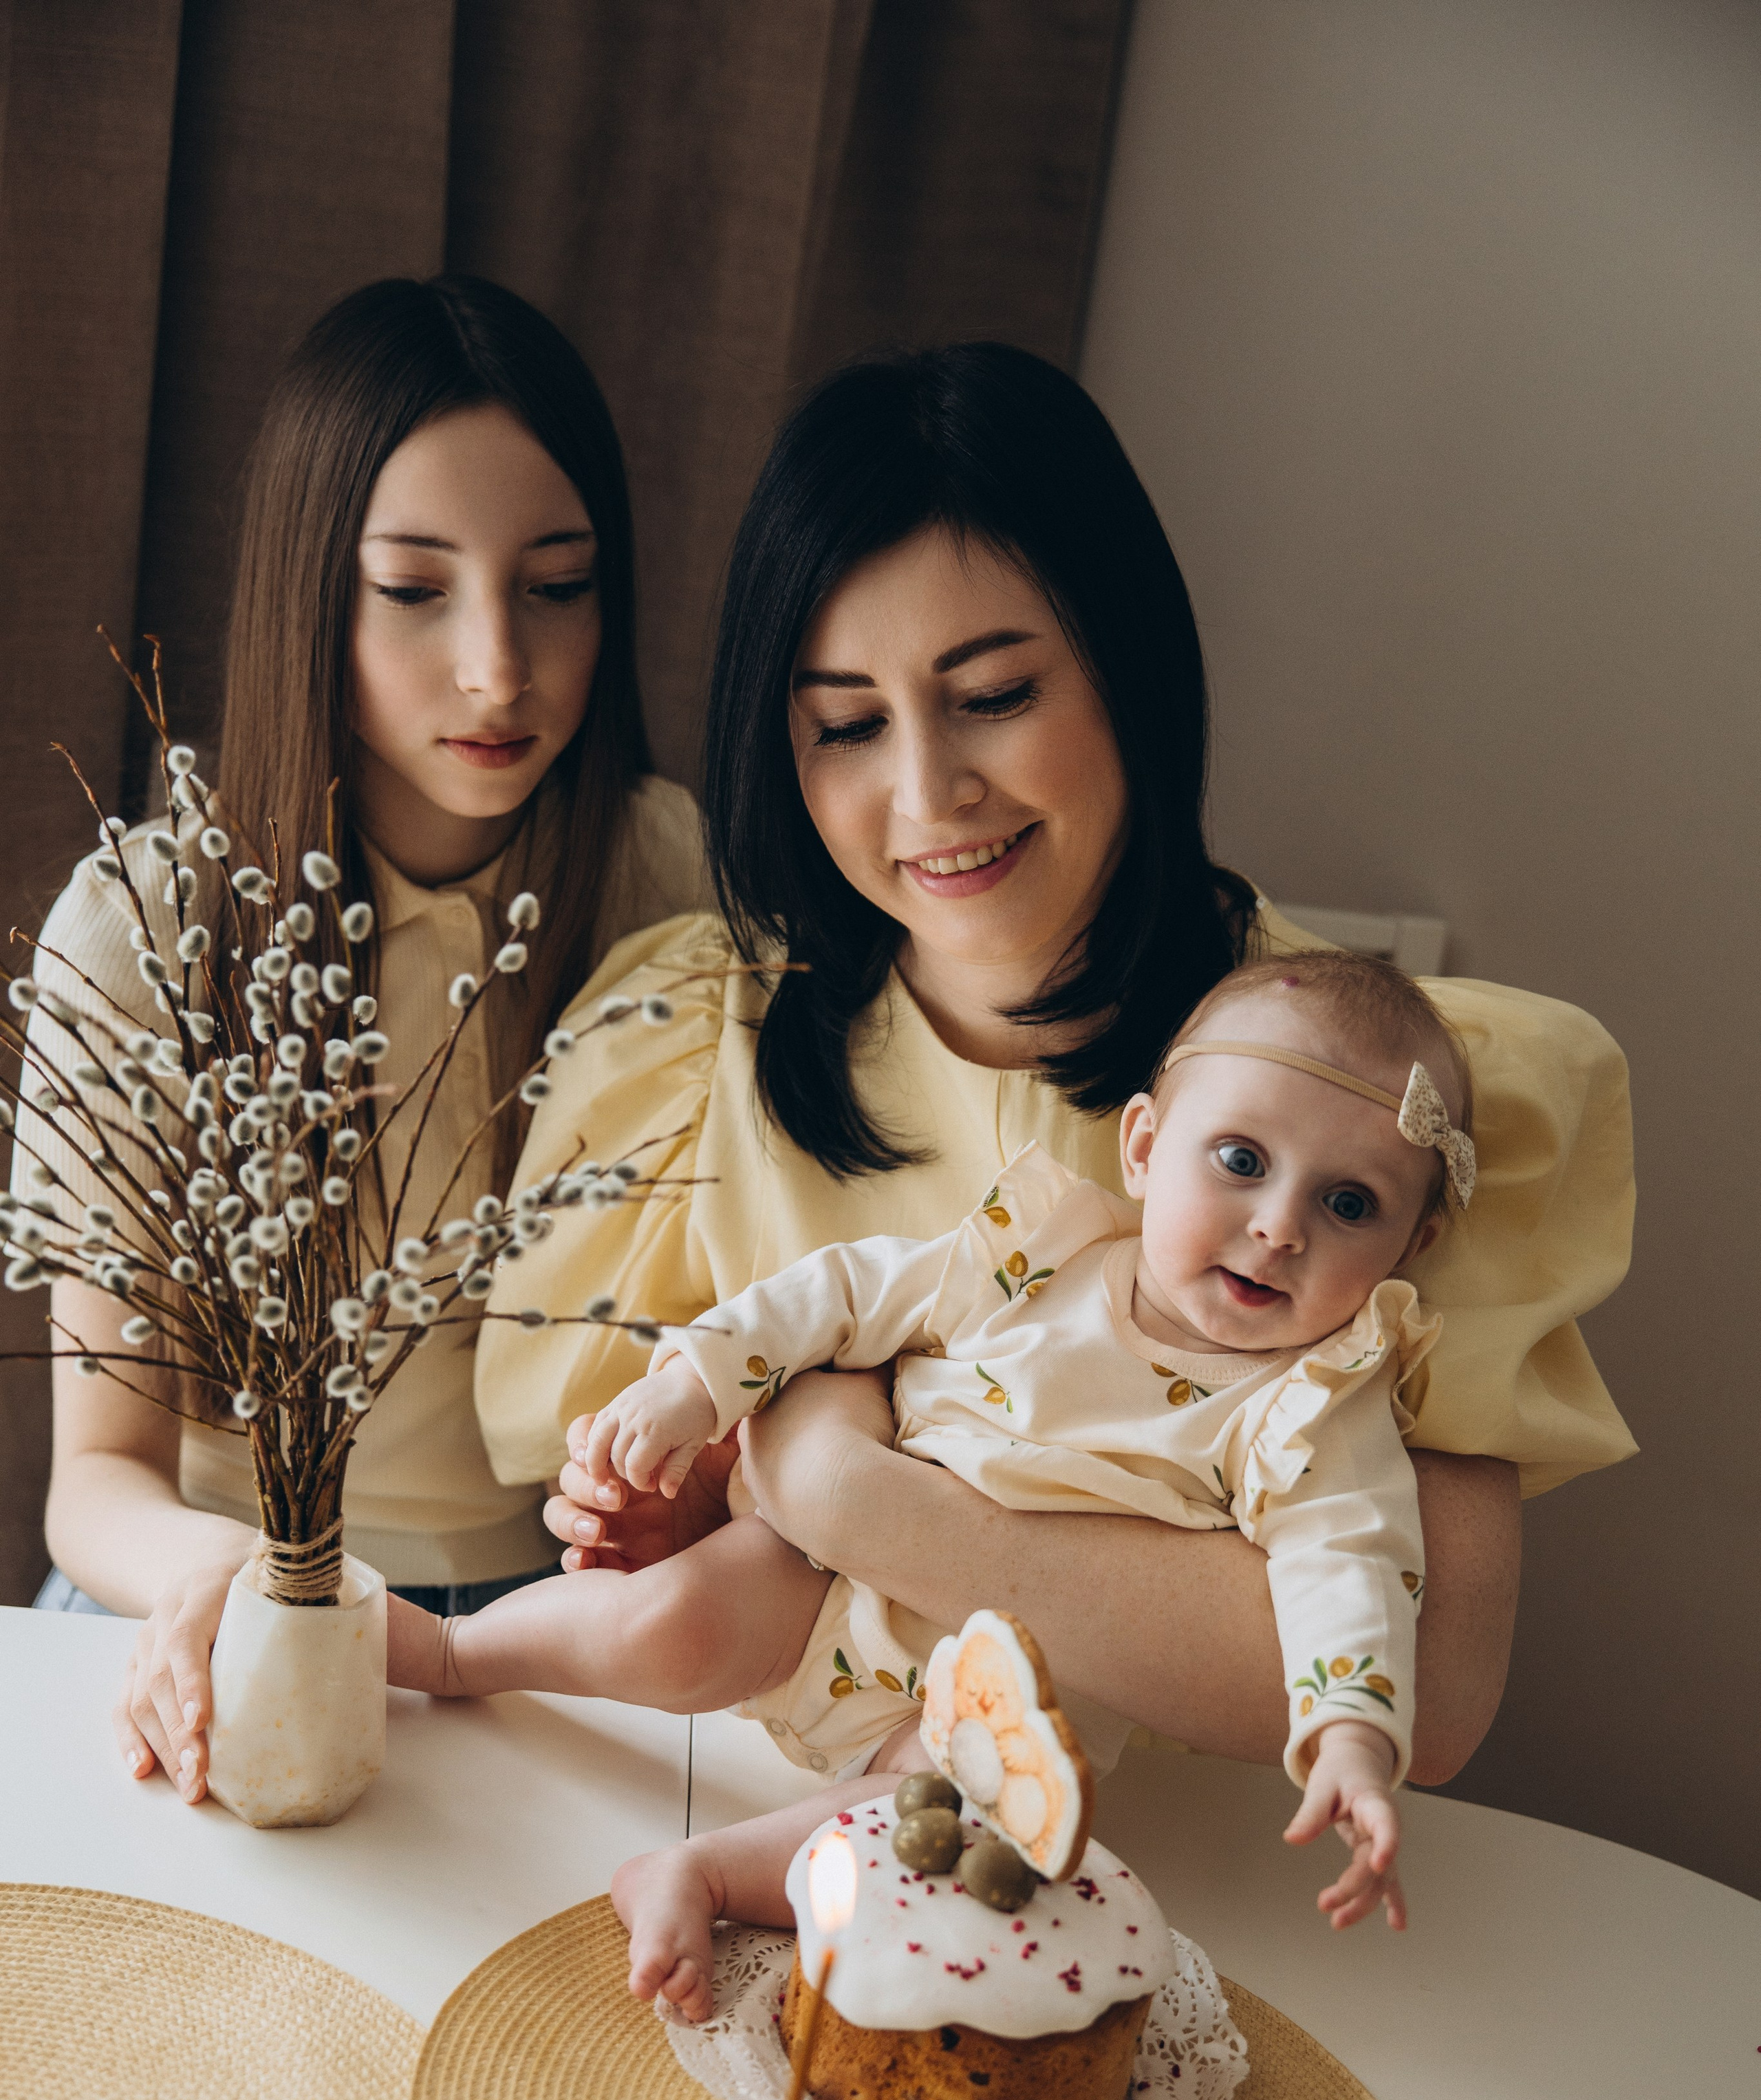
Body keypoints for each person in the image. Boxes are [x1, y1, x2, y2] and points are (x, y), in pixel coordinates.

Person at [474, 343, 1634, 1788]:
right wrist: (705, 1501)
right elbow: (609, 1531)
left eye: (995, 693)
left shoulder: (1369, 1113)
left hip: (1202, 1892)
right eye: (843, 725)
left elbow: (1429, 1692)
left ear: (1122, 664)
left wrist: (844, 1480)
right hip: (719, 1819)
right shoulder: (682, 1039)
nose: (926, 794)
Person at [393, 950, 1470, 1973]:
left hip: (1006, 1704)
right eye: (1241, 1161)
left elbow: (1351, 1565)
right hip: (820, 1584)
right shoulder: (1035, 1257)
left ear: (1412, 1244)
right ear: (1144, 1146)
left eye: (1348, 1204)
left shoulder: (1313, 1404)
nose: (1278, 1227)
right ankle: (454, 1652)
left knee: (941, 1830)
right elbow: (848, 1293)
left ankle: (703, 1874)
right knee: (666, 1624)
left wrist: (1351, 1740)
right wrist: (697, 1383)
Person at [23, 275, 705, 1799]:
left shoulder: (670, 888)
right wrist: (240, 1582)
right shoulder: (145, 929)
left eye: (557, 583)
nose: (498, 669)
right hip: (207, 1601)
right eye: (414, 589)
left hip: (550, 1639)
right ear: (307, 592)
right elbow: (96, 1481)